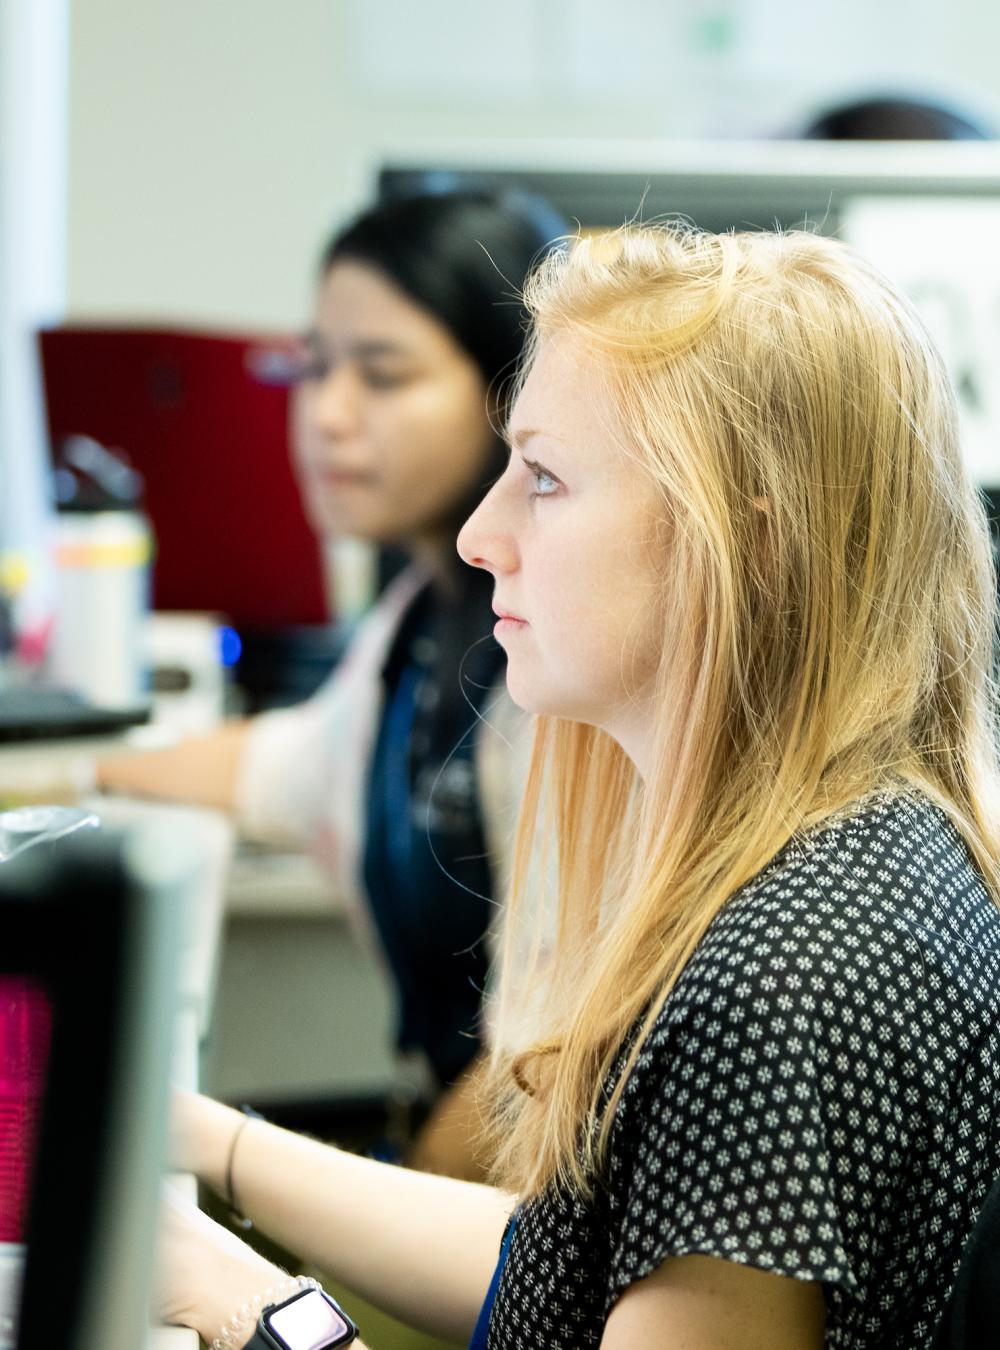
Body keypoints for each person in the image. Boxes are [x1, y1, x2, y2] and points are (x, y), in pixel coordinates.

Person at [156, 223, 1000, 1349]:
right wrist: (206, 1143)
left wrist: (254, 1311)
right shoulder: (854, 851)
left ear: (742, 548)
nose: (478, 533)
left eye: (544, 477)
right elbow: (564, 1272)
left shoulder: (790, 978)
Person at [97, 187, 567, 1178]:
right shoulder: (417, 621)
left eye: (382, 375)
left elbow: (550, 1067)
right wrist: (65, 775)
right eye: (314, 368)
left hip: (517, 1218)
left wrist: (361, 1255)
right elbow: (282, 761)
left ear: (514, 390)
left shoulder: (550, 660)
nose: (327, 414)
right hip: (447, 1169)